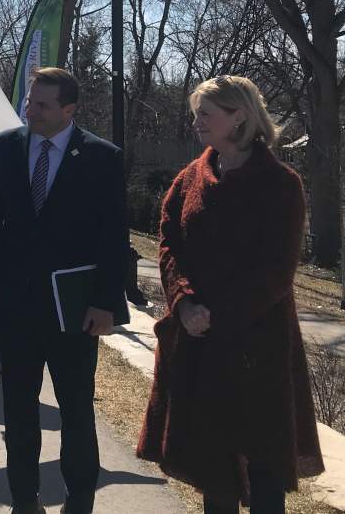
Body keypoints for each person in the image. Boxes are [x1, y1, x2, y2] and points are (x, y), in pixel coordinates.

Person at [137, 76, 324, 514]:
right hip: (199, 344)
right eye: (196, 113)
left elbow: (277, 271)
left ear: (238, 116)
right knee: (212, 470)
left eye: (207, 113)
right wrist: (183, 303)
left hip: (257, 348)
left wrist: (215, 316)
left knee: (262, 477)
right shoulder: (190, 178)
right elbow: (168, 244)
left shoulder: (281, 183)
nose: (197, 121)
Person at [0, 67, 128, 514]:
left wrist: (106, 302)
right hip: (16, 305)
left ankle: (79, 497)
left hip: (75, 309)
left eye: (42, 104)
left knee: (76, 407)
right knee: (18, 409)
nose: (31, 110)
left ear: (69, 109)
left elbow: (113, 236)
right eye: (29, 101)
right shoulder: (6, 147)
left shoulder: (101, 156)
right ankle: (25, 498)